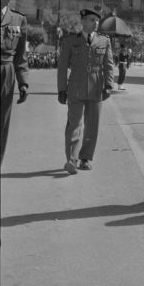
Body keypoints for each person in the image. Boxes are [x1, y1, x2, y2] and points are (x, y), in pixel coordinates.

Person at [57, 9, 114, 174]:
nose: (95, 23)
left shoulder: (104, 41)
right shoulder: (70, 41)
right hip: (75, 87)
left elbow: (109, 65)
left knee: (92, 126)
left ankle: (86, 158)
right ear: (83, 21)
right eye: (91, 20)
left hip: (96, 88)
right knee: (74, 124)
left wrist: (109, 85)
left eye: (97, 20)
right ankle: (71, 160)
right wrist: (62, 89)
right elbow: (62, 67)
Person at [0, 0, 29, 165]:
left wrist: (23, 83)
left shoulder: (19, 19)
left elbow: (21, 56)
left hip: (5, 73)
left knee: (2, 122)